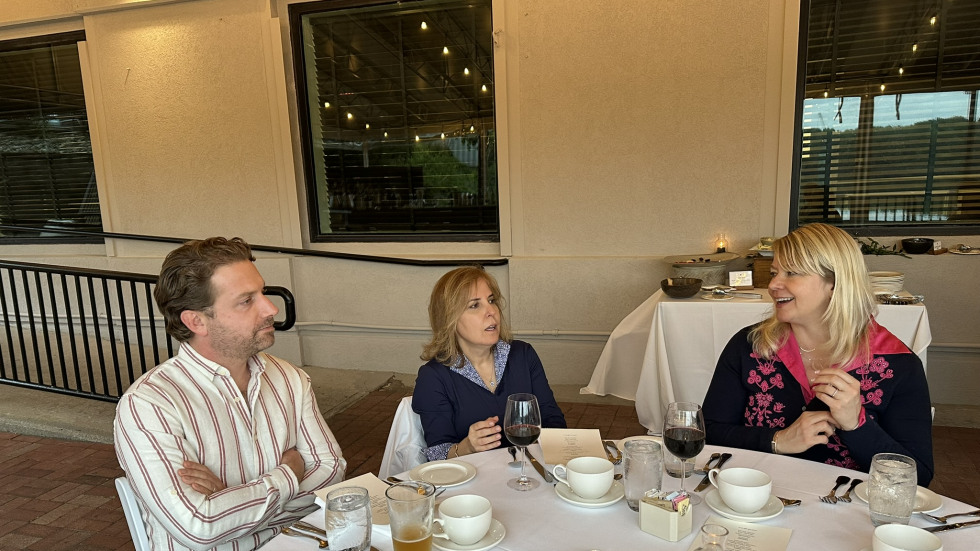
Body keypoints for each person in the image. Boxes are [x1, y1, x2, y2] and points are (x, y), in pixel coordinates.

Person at [113, 237, 345, 550]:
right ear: (196, 321)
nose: (271, 308)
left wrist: (231, 497)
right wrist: (289, 473)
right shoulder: (150, 405)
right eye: (246, 300)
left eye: (262, 292)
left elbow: (332, 475)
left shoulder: (289, 378)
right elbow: (200, 528)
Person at [702, 223, 934, 486]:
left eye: (792, 273)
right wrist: (778, 440)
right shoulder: (751, 346)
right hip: (756, 500)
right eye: (775, 272)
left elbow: (919, 476)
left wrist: (857, 425)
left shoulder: (898, 363)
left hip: (847, 516)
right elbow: (710, 431)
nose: (774, 284)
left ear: (834, 283)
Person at [413, 266, 566, 461]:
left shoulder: (523, 355)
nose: (491, 311)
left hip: (529, 474)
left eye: (491, 300)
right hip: (474, 484)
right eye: (475, 305)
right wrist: (467, 446)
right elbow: (437, 454)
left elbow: (553, 421)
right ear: (449, 319)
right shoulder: (434, 377)